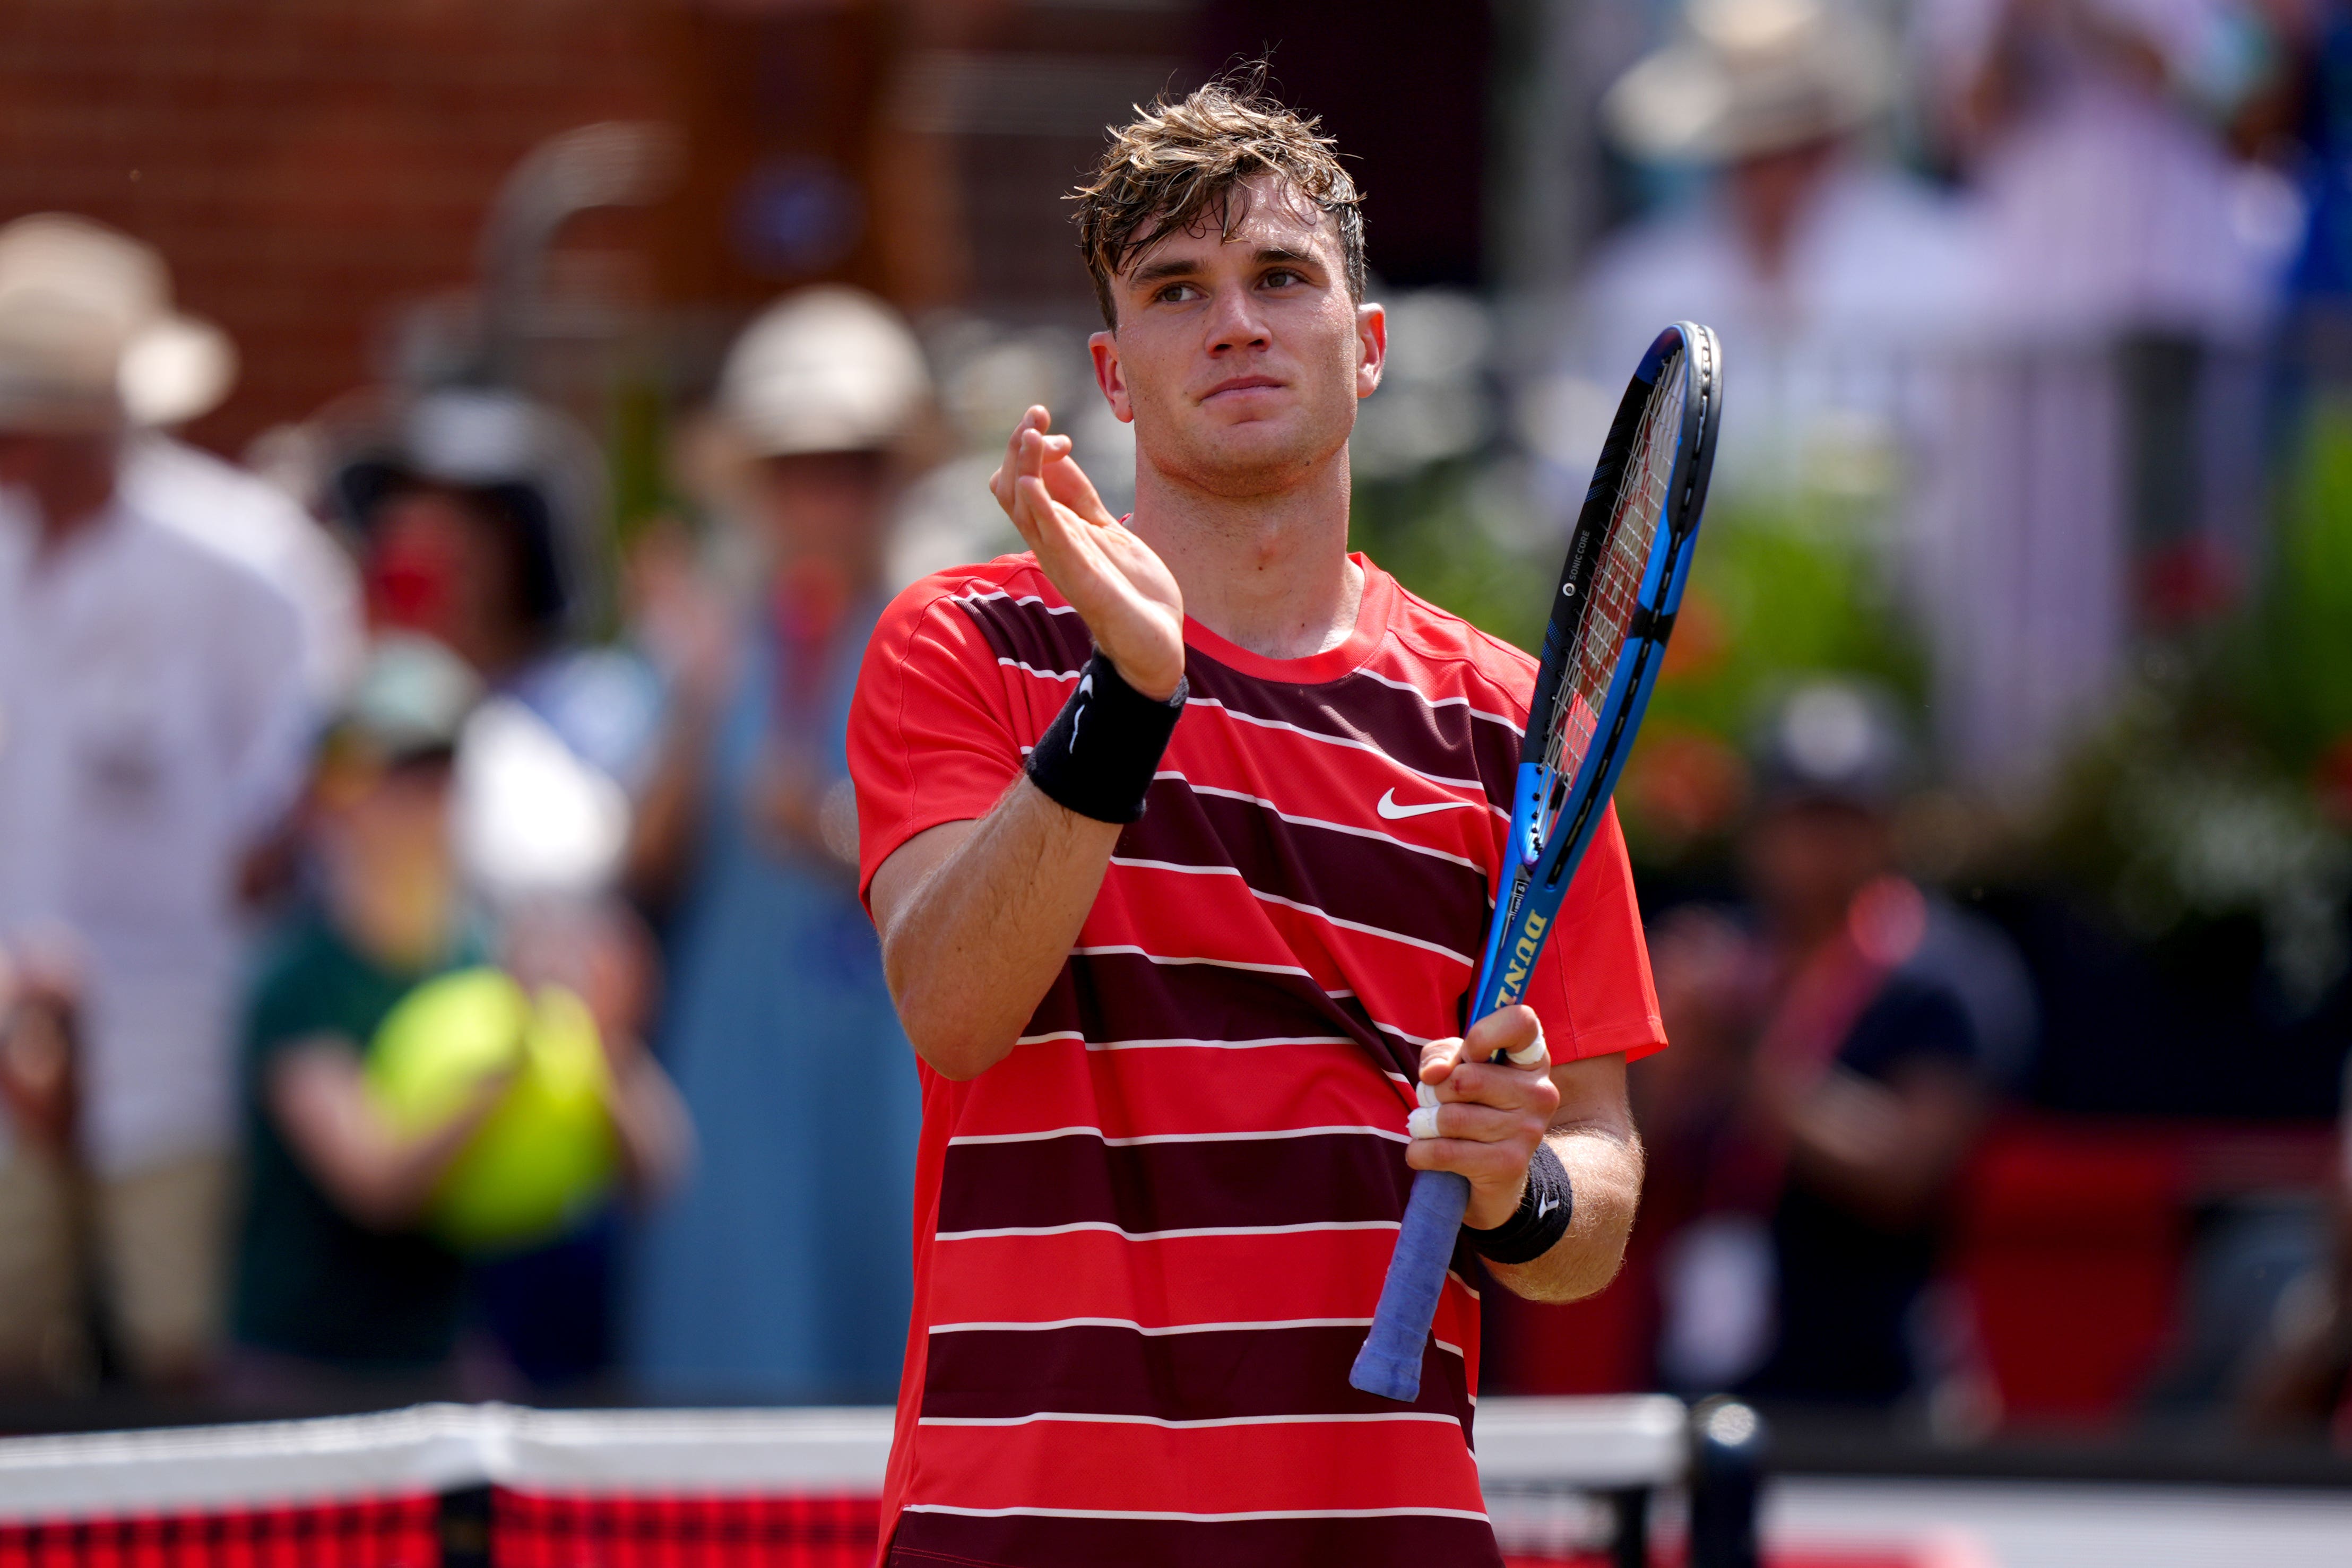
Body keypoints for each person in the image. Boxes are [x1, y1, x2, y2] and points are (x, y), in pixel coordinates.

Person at [848, 76, 1663, 1566]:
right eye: (1177, 289)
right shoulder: (963, 644)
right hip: (1022, 1531)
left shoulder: (1515, 726)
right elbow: (954, 1009)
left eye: (1281, 276)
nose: (1235, 321)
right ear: (1112, 370)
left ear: (1368, 347)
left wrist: (1517, 1180)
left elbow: (1596, 1186)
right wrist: (1133, 695)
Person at [227, 637, 686, 1406]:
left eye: (439, 774)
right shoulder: (295, 985)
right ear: (334, 794)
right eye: (394, 774)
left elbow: (659, 1171)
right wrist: (513, 1055)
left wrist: (604, 1045)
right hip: (298, 1385)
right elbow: (376, 1180)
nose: (419, 801)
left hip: (439, 1383)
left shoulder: (490, 960)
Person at [0, 275, 309, 1391]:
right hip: (7, 1035)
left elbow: (304, 777)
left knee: (181, 1359)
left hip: (179, 1037)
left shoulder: (240, 556)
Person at [626, 288, 930, 1401]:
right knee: (739, 1307)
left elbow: (985, 866)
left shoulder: (939, 632)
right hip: (736, 1040)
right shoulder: (710, 640)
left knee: (885, 1304)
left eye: (847, 465)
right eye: (794, 466)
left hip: (889, 1051)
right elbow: (641, 863)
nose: (820, 496)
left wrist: (823, 834)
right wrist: (694, 699)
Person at [1639, 681, 2031, 1407]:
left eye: (1841, 822)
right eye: (1798, 821)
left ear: (1885, 832)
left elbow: (1907, 1173)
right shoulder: (1722, 965)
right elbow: (1630, 1156)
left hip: (1875, 1395)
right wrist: (1665, 1043)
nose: (1817, 850)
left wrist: (1749, 1061)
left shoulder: (1943, 975)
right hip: (1705, 1380)